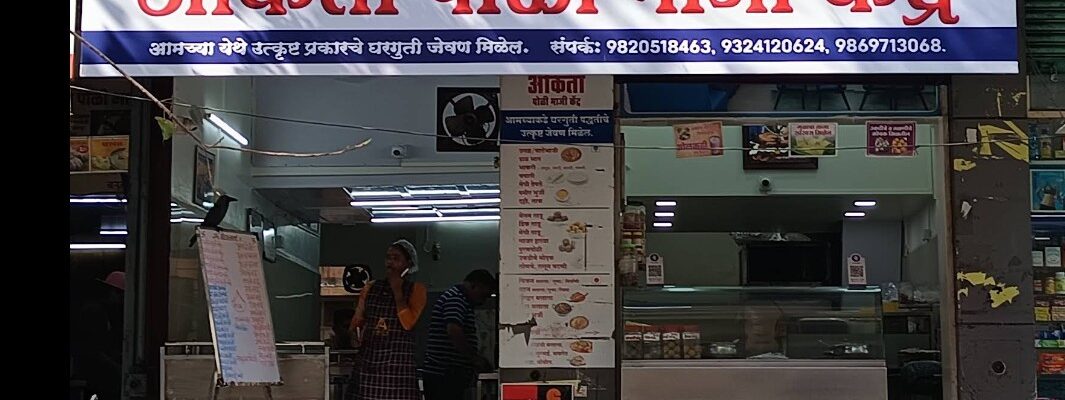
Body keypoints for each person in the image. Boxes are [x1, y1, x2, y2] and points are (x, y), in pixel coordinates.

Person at [349, 240, 427, 400]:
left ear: (409, 264)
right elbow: (357, 320)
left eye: (396, 258)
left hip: (399, 370)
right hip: (368, 366)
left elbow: (408, 324)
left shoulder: (417, 290)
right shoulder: (370, 288)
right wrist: (353, 334)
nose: (390, 262)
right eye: (388, 257)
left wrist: (397, 291)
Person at [422, 269, 497, 400]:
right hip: (445, 374)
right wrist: (474, 358)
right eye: (483, 295)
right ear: (474, 286)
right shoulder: (456, 299)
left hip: (445, 373)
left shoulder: (458, 299)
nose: (483, 301)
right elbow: (454, 331)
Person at [71, 271, 125, 400]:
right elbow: (92, 348)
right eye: (120, 294)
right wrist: (116, 367)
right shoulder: (94, 311)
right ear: (112, 292)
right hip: (92, 372)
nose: (121, 300)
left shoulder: (103, 312)